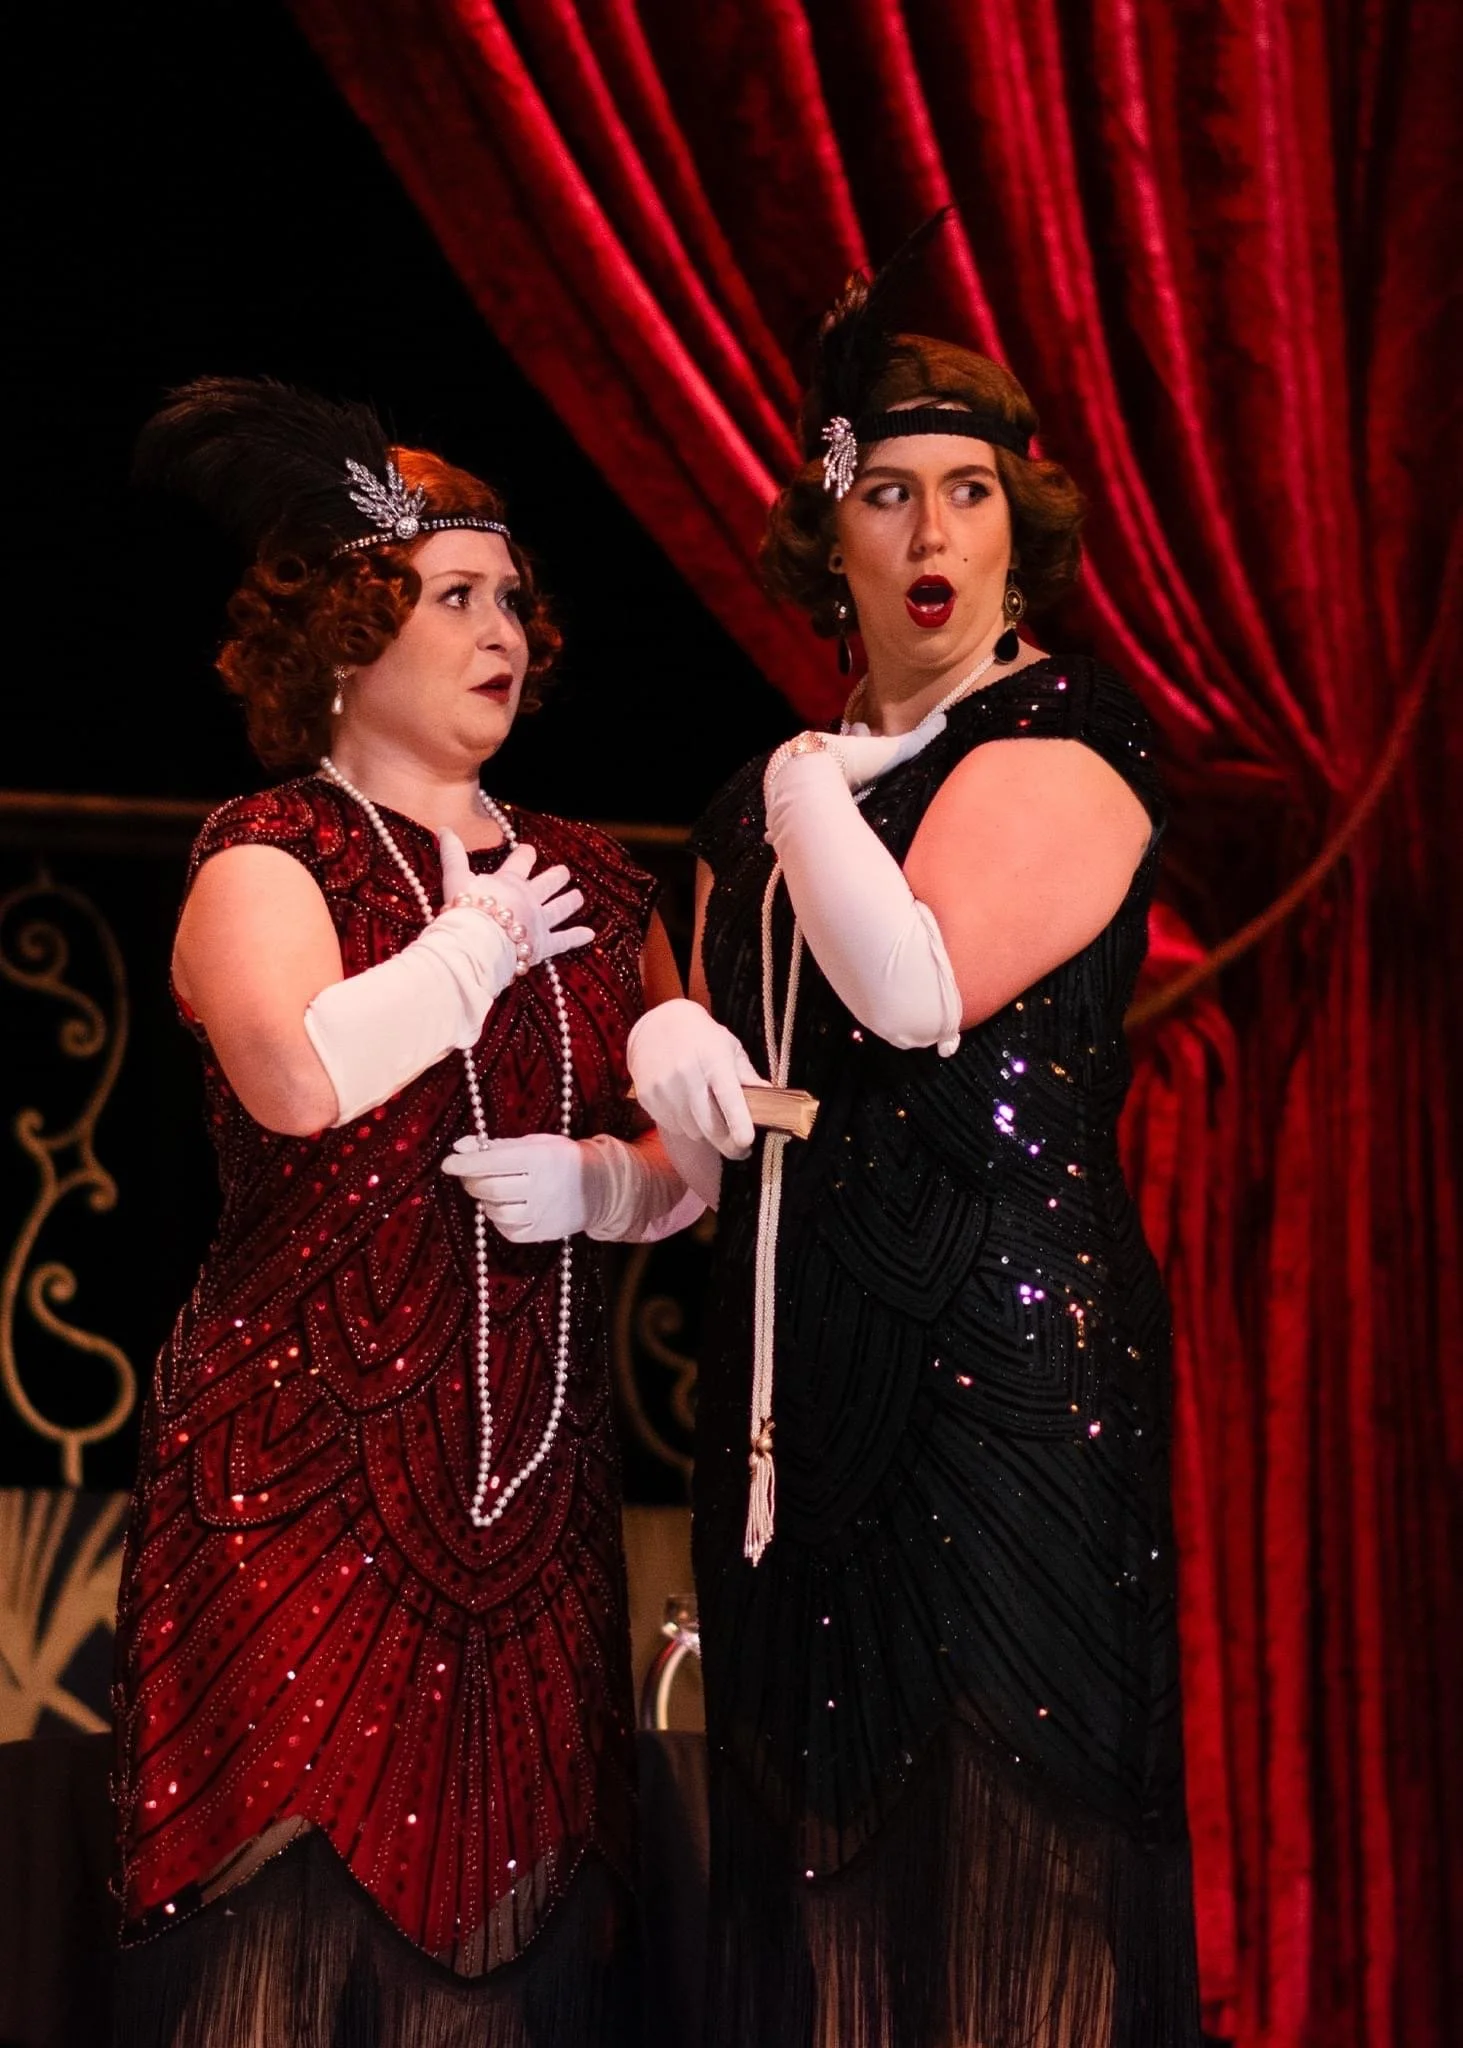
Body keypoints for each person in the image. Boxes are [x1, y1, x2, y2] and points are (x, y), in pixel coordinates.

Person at [626, 266, 1204, 2046]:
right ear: (835, 535)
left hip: (1008, 1366)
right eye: (886, 492)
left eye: (964, 491)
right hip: (797, 1389)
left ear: (1014, 531)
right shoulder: (751, 799)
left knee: (1009, 1856)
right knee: (822, 1877)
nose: (928, 528)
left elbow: (912, 992)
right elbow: (693, 1091)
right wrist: (668, 1058)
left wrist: (809, 787)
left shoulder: (1064, 739)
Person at [112, 379, 700, 2048]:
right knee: (291, 1945)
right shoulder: (267, 853)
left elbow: (688, 1160)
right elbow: (298, 1081)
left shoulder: (589, 874)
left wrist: (612, 1180)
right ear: (353, 630)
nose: (501, 628)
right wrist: (461, 957)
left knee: (511, 1947)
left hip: (528, 1505)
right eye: (456, 597)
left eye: (513, 599)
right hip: (300, 1487)